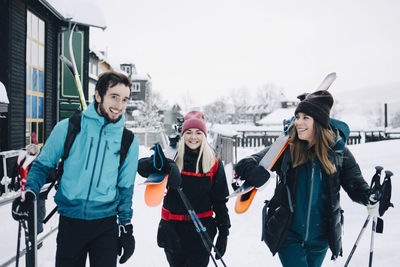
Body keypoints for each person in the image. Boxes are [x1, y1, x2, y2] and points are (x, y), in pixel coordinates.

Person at [234, 90, 379, 267]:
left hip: (322, 237)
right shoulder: (287, 149)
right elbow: (247, 163)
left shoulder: (338, 152)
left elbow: (354, 183)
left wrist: (369, 196)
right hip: (288, 233)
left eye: (305, 118)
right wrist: (253, 171)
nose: (298, 122)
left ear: (318, 122)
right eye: (297, 117)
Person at [11, 71, 139, 267]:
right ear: (98, 95)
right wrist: (30, 193)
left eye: (124, 99)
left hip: (105, 225)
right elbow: (42, 165)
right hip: (71, 223)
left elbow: (125, 189)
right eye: (114, 97)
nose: (119, 105)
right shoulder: (69, 127)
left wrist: (126, 226)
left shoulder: (128, 140)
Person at [138, 110, 231, 267]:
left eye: (198, 132)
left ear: (204, 135)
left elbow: (220, 201)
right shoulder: (172, 156)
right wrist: (165, 164)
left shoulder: (213, 162)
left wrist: (224, 233)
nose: (193, 137)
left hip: (201, 232)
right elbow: (141, 167)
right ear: (182, 134)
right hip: (173, 232)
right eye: (188, 132)